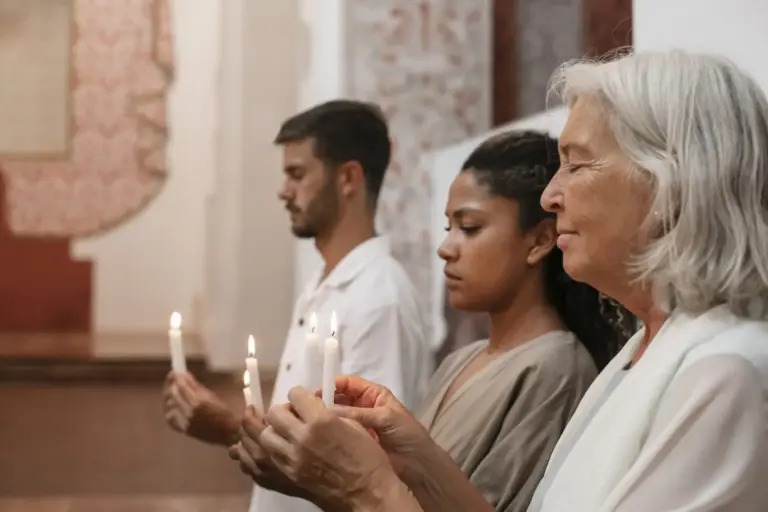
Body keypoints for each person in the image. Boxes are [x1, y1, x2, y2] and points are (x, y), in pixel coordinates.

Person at [228, 50, 768, 511]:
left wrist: (366, 488)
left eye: (578, 165)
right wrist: (413, 460)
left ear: (672, 180)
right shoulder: (642, 351)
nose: (551, 196)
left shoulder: (725, 373)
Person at [231, 130, 633, 510]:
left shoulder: (555, 367)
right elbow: (397, 494)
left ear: (541, 240)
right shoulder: (463, 359)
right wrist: (308, 474)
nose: (445, 248)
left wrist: (328, 483)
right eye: (448, 227)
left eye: (469, 228)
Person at [161, 100, 431, 512]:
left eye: (297, 174)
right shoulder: (323, 282)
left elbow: (363, 466)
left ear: (348, 178)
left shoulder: (380, 299)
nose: (283, 191)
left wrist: (230, 428)